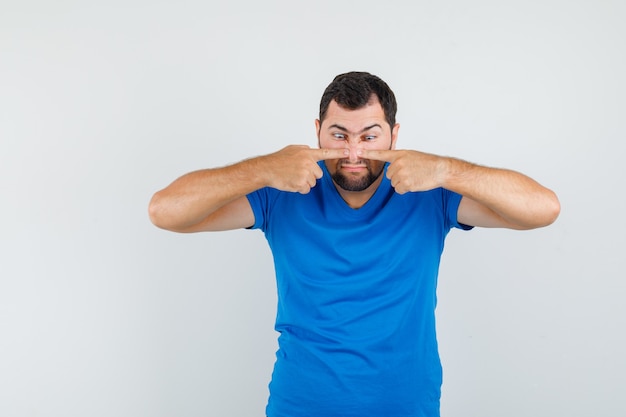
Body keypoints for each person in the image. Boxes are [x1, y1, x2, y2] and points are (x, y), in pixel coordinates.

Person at [148, 71, 560, 417]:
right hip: (300, 404)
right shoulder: (281, 191)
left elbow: (543, 209)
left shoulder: (430, 193)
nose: (353, 152)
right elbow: (165, 211)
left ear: (395, 135)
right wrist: (264, 168)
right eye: (339, 134)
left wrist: (446, 169)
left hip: (406, 406)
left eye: (370, 135)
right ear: (316, 132)